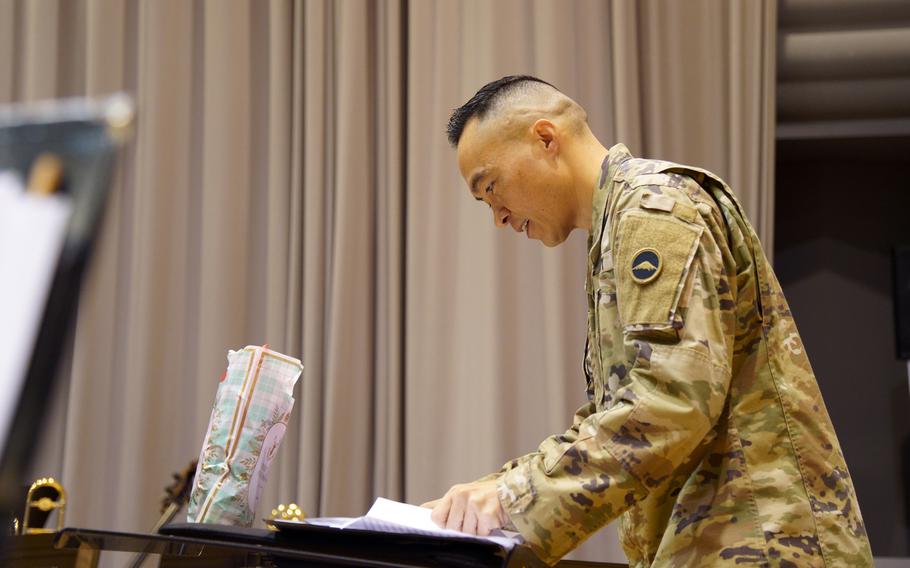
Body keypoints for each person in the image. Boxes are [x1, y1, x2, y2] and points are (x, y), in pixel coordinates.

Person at [421, 75, 874, 567]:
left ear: (546, 138)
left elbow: (672, 402)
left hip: (764, 543)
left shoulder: (653, 209)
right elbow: (619, 412)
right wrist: (491, 493)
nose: (498, 217)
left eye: (491, 187)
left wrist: (514, 498)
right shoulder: (618, 228)